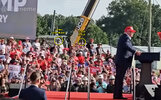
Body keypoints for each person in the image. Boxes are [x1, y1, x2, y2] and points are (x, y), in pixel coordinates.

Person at [113, 26, 141, 99]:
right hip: (122, 61)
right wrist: (135, 51)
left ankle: (117, 95)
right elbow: (127, 46)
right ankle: (118, 95)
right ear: (128, 31)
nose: (133, 34)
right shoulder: (125, 38)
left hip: (122, 61)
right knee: (119, 79)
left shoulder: (124, 38)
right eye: (132, 32)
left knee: (119, 79)